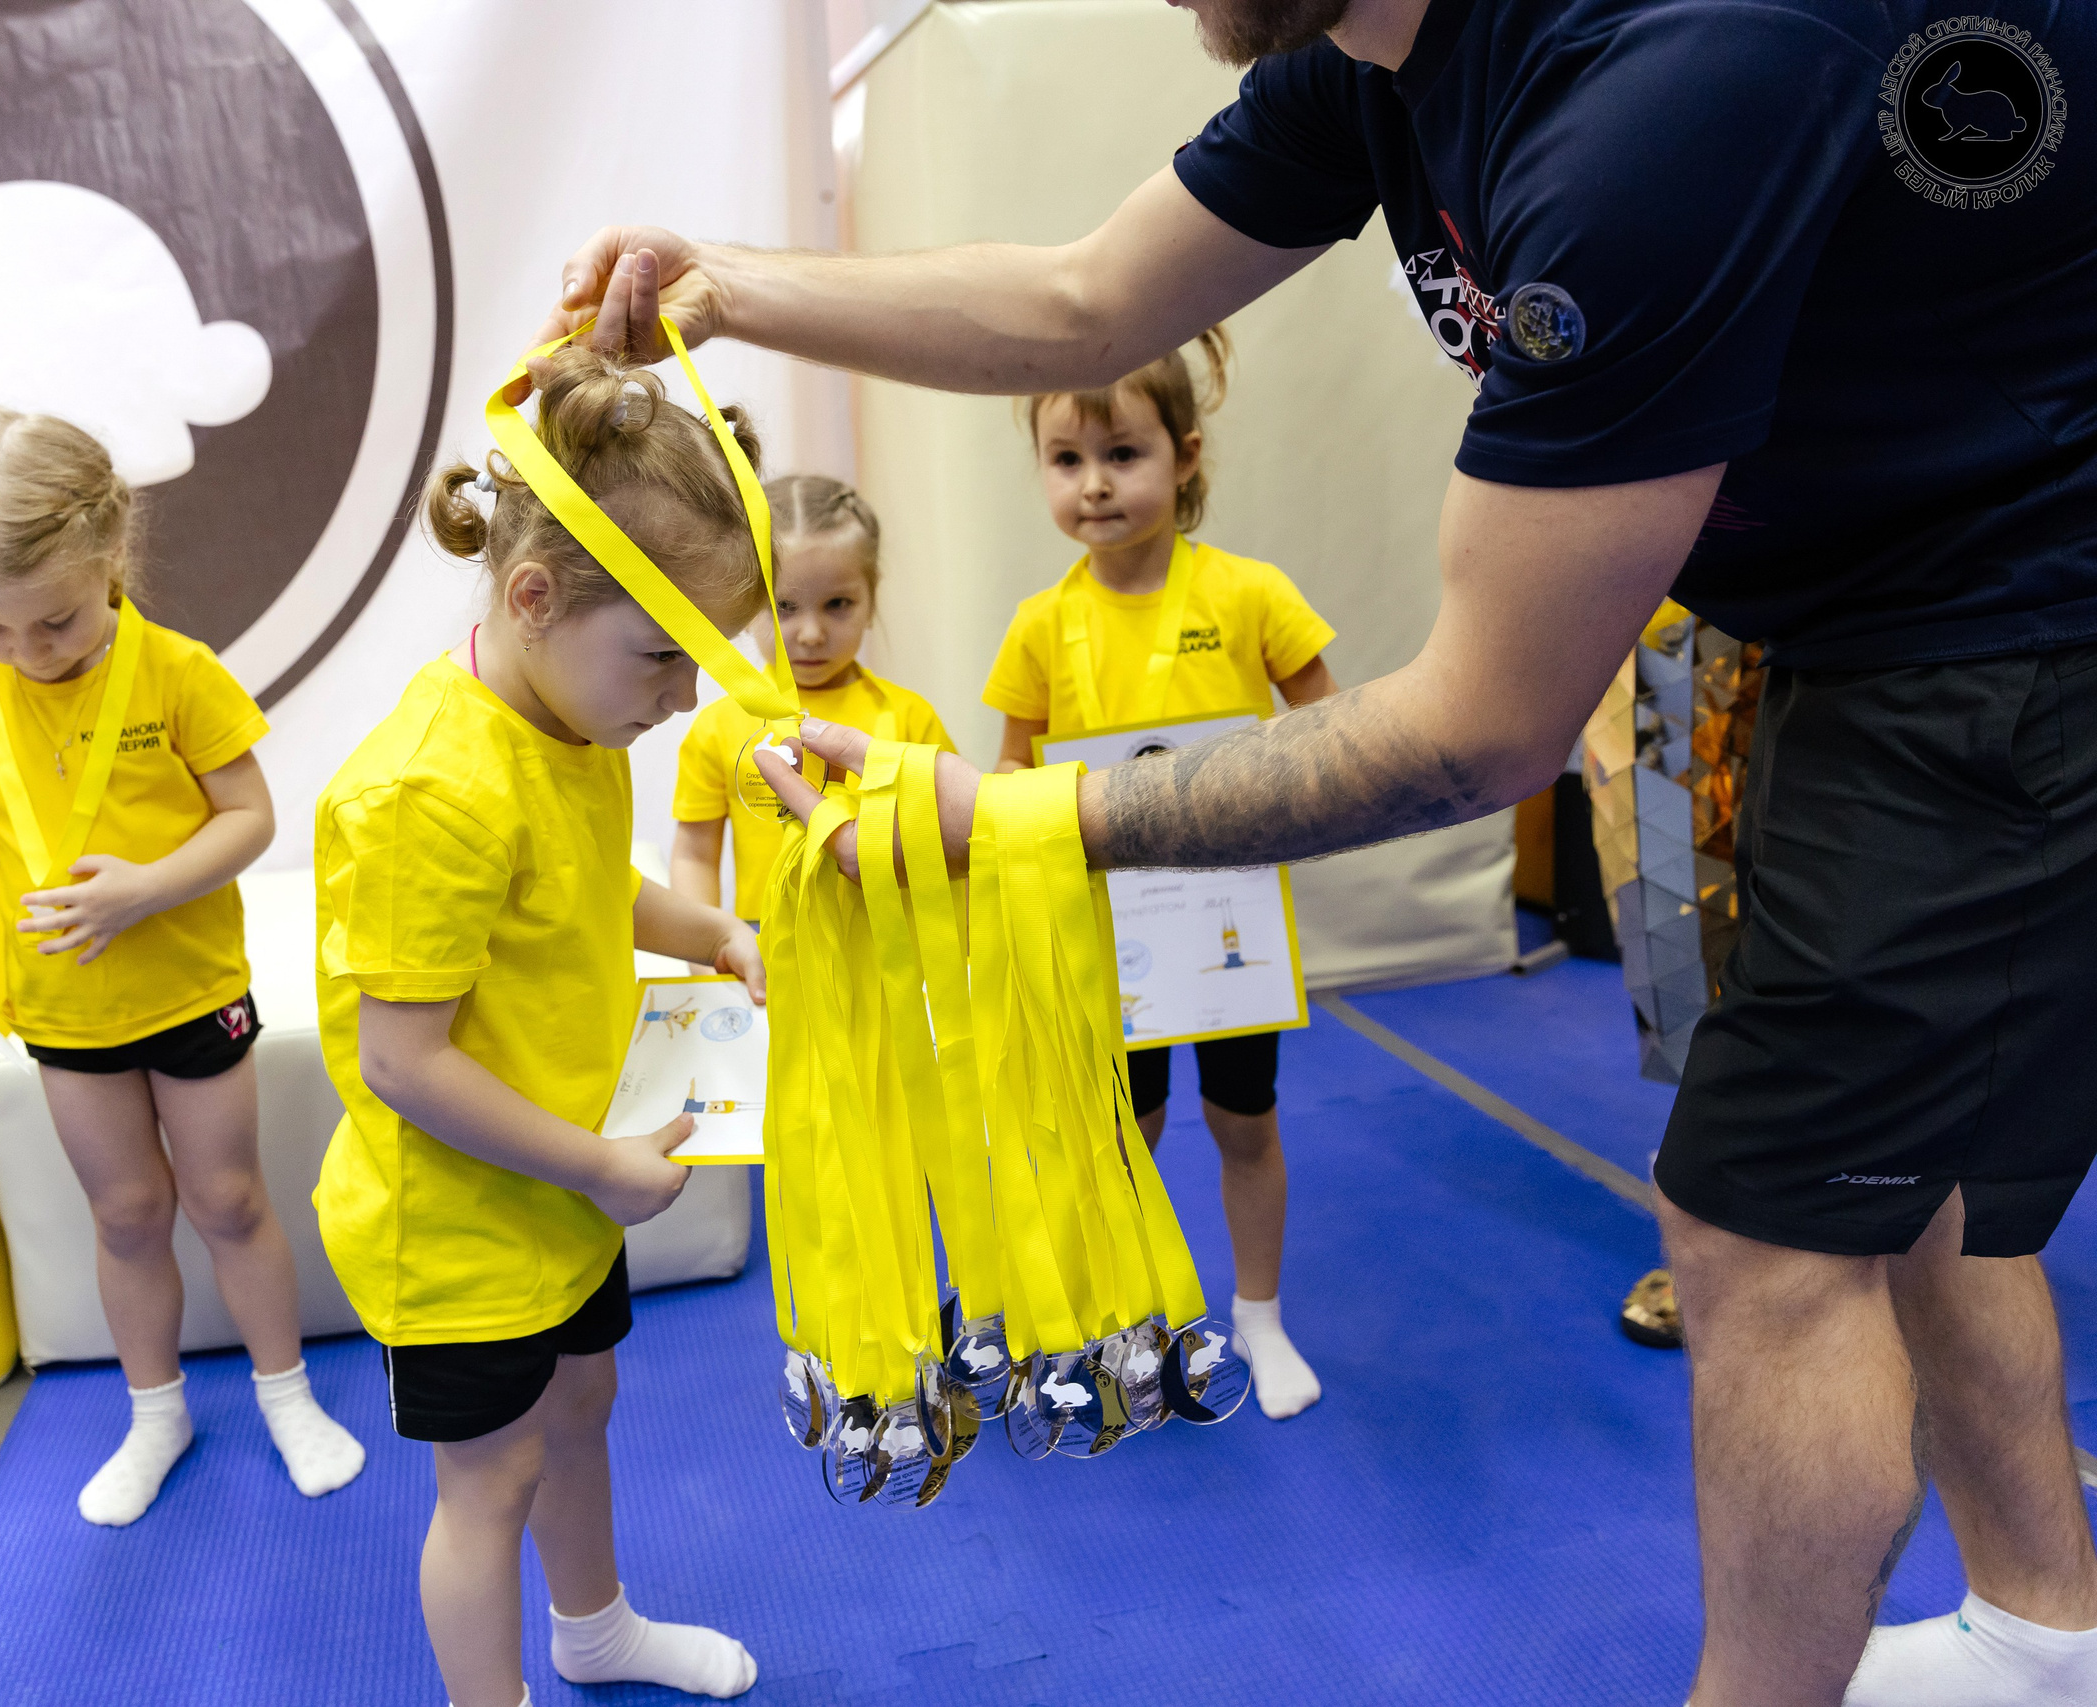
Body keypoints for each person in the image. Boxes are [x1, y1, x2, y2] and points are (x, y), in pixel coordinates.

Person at [533, 0, 2097, 1700]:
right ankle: (2041, 1630)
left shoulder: (1663, 89)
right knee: (1908, 1176)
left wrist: (1026, 814)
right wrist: (733, 286)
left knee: (1765, 1237)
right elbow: (1088, 299)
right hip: (1868, 618)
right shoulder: (1364, 53)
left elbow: (1477, 722)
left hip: (2014, 630)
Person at [312, 347, 767, 1707]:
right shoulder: (427, 790)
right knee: (490, 1473)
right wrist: (593, 1161)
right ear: (530, 594)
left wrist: (715, 930)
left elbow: (579, 886)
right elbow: (402, 1059)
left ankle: (595, 1626)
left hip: (561, 1177)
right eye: (661, 656)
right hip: (460, 1223)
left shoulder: (571, 720)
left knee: (582, 1408)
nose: (683, 698)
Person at [0, 410, 362, 1528]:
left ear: (111, 557)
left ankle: (286, 1394)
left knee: (227, 1198)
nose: (32, 652)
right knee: (124, 1214)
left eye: (57, 621)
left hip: (191, 990)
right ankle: (154, 1411)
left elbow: (251, 817)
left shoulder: (177, 672)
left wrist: (145, 888)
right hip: (67, 1011)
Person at [986, 330, 1337, 1419]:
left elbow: (1334, 734)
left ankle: (1260, 1317)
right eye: (1065, 460)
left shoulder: (1248, 595)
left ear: (1184, 457)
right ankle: (1136, 1324)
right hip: (1110, 937)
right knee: (1122, 1138)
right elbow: (1009, 774)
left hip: (1228, 928)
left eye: (1123, 454)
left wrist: (1273, 798)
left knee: (1244, 1125)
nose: (1094, 485)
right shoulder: (1041, 627)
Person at [670, 473, 951, 928]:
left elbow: (948, 849)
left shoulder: (911, 719)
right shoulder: (717, 728)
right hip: (762, 960)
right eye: (784, 607)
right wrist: (707, 955)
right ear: (744, 602)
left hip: (890, 953)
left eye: (837, 604)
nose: (811, 634)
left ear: (871, 597)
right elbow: (696, 855)